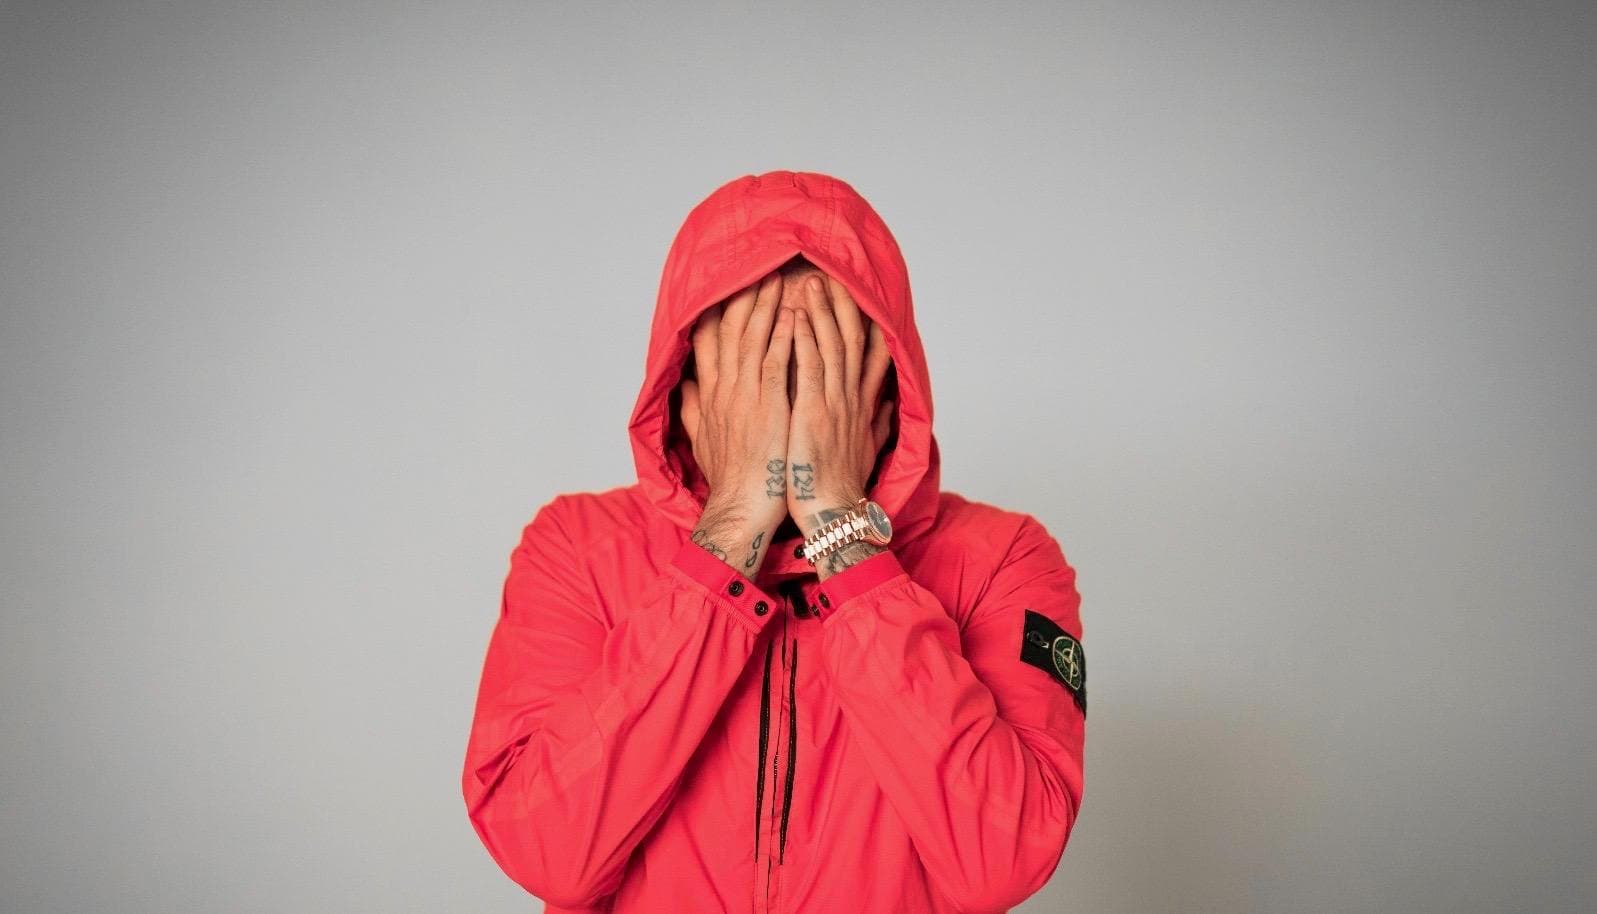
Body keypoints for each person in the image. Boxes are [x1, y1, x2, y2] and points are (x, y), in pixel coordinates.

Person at [462, 170, 1087, 914]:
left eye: (823, 366)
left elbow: (1002, 861)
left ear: (888, 388)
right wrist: (730, 526)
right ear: (687, 388)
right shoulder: (574, 546)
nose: (791, 406)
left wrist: (840, 522)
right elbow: (547, 852)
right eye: (757, 370)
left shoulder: (1004, 557)